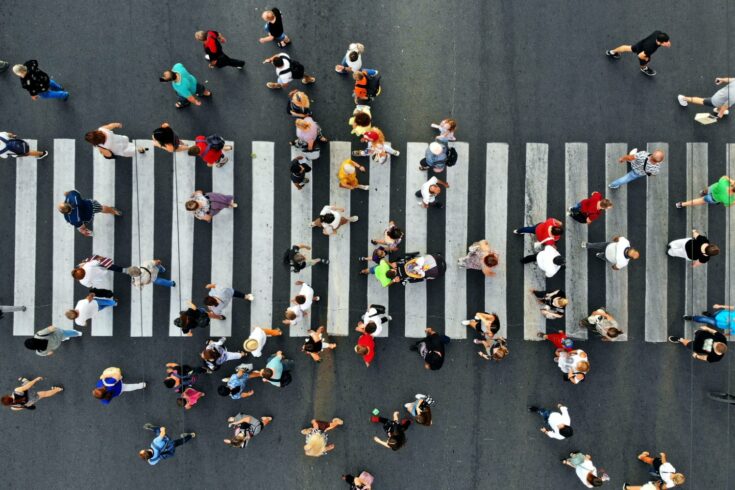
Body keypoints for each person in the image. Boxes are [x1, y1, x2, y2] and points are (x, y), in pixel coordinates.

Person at [605, 30, 671, 76]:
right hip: (642, 51)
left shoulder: (658, 33)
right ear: (660, 42)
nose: (668, 43)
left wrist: (666, 42)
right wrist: (647, 59)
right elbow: (640, 56)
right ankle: (643, 68)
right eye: (666, 42)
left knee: (627, 48)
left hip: (641, 44)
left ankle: (612, 52)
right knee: (645, 61)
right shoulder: (650, 48)